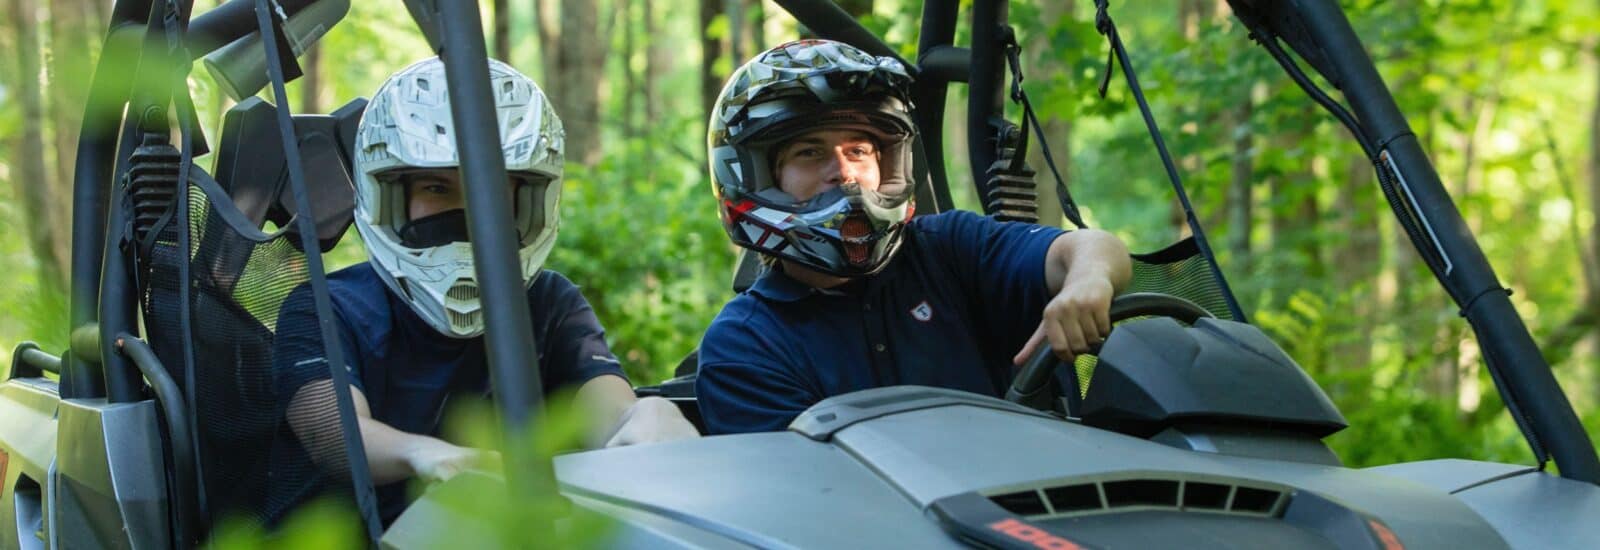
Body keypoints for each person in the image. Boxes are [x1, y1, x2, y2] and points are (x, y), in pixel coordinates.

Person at [271, 57, 698, 525]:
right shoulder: (328, 305)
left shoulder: (549, 303)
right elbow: (331, 431)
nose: (468, 215)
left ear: (526, 205)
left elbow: (606, 411)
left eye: (491, 190)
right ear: (389, 197)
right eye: (438, 188)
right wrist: (425, 455)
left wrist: (647, 418)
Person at [695, 40, 1133, 434]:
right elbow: (808, 501)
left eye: (859, 151)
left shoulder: (950, 248)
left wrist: (1088, 280)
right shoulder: (744, 345)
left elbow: (1093, 248)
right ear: (756, 177)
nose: (844, 172)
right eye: (809, 153)